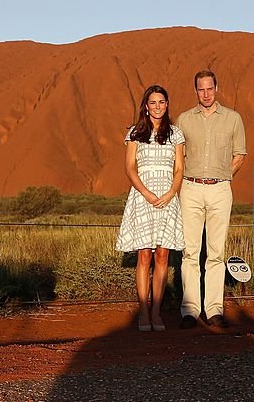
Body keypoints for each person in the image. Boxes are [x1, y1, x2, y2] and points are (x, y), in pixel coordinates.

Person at [175, 70, 246, 329]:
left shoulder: (232, 119)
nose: (206, 94)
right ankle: (190, 310)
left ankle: (214, 309)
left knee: (216, 252)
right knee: (190, 252)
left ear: (217, 87)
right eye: (201, 89)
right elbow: (177, 156)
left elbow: (240, 154)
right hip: (191, 188)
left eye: (209, 88)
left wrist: (225, 176)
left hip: (220, 189)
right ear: (195, 91)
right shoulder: (184, 120)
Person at [115, 84, 186, 332]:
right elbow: (130, 168)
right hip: (142, 198)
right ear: (146, 106)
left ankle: (157, 312)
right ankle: (143, 312)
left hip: (167, 199)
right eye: (153, 102)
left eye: (162, 102)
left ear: (167, 105)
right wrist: (145, 192)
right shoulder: (135, 133)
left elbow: (179, 169)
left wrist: (170, 193)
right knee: (144, 256)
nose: (158, 107)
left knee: (163, 256)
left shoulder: (176, 134)